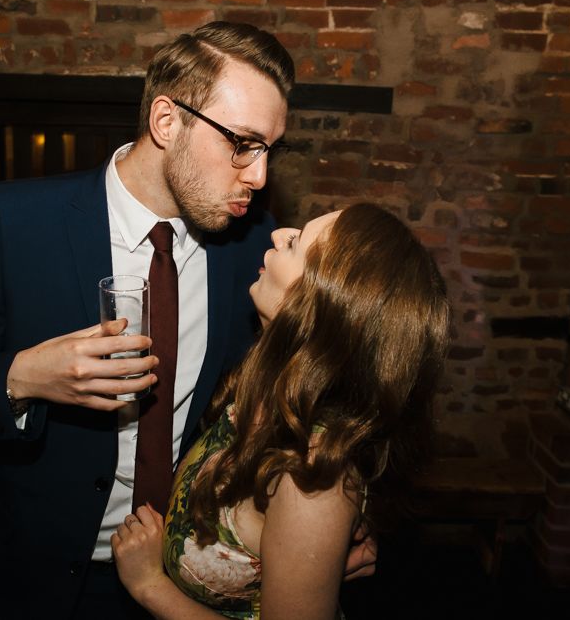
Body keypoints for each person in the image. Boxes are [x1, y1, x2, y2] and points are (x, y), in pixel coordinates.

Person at [0, 22, 374, 619]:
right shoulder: (18, 222)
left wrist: (314, 543)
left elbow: (291, 395)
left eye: (270, 150)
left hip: (180, 583)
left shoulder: (253, 250)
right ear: (167, 121)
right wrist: (23, 377)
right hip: (31, 578)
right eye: (243, 143)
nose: (258, 174)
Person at [111, 203, 451, 620]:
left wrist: (150, 586)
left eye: (294, 243)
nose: (277, 234)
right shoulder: (267, 389)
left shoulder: (311, 476)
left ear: (319, 306)